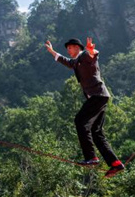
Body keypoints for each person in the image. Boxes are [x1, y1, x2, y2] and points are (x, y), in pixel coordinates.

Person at [46, 38, 125, 177]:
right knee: (96, 131)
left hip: (97, 96)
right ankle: (115, 163)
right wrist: (52, 51)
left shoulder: (84, 56)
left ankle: (91, 157)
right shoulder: (76, 62)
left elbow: (93, 55)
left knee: (80, 121)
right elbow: (65, 61)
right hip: (100, 96)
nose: (68, 51)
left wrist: (91, 50)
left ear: (77, 47)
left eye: (70, 48)